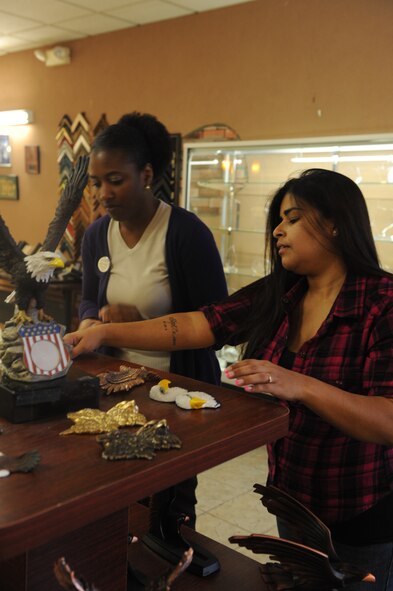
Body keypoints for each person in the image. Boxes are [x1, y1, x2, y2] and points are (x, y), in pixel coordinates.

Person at [65, 168, 393, 591]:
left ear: (334, 222)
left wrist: (301, 384)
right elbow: (200, 325)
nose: (277, 230)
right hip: (293, 503)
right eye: (279, 219)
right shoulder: (284, 292)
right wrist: (105, 333)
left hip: (360, 515)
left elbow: (387, 420)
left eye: (292, 218)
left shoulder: (381, 302)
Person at [78, 111, 228, 536]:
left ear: (145, 174)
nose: (103, 193)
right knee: (119, 492)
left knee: (170, 501)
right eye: (96, 182)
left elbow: (216, 324)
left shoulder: (185, 233)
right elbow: (89, 299)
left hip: (175, 390)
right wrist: (95, 319)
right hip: (119, 386)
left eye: (115, 180)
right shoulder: (96, 236)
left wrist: (141, 322)